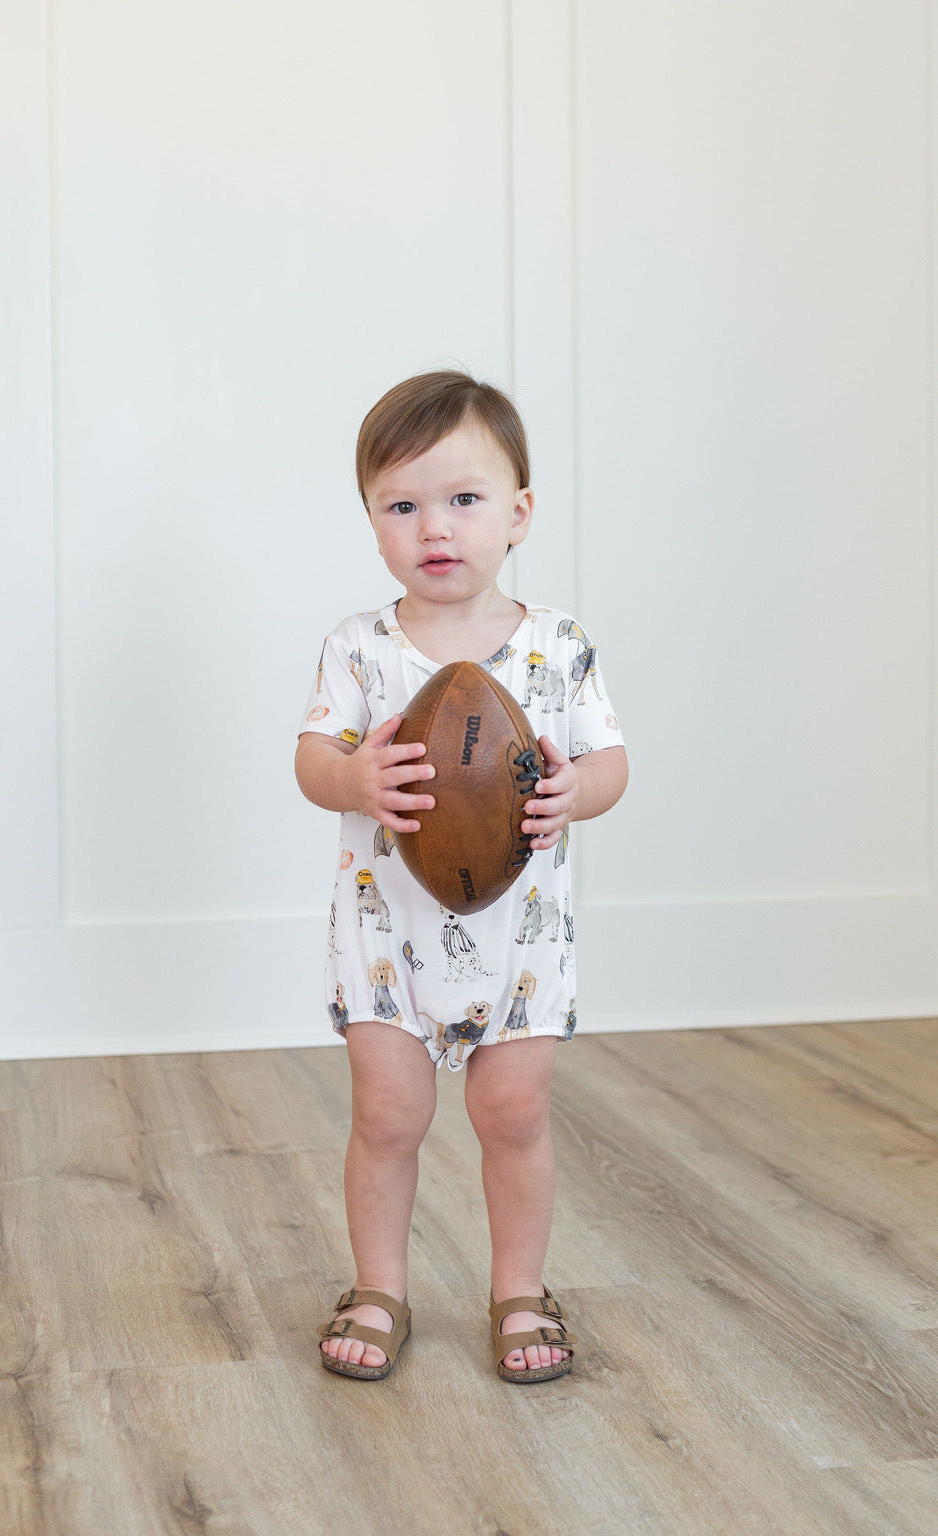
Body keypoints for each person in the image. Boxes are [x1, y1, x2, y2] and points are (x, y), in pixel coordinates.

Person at [294, 371, 628, 1382]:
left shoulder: (558, 645)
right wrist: (352, 773)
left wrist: (578, 792)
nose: (433, 527)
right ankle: (379, 1284)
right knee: (387, 1116)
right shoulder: (360, 647)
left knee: (512, 1117)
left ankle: (518, 1289)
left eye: (464, 500)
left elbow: (610, 762)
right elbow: (311, 761)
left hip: (521, 943)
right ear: (372, 523)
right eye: (402, 506)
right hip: (385, 935)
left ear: (519, 513)